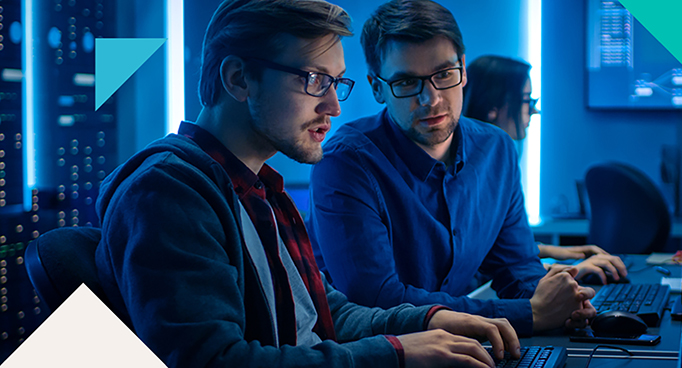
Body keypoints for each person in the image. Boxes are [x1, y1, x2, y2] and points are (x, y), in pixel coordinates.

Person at [95, 1, 522, 367]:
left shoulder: (253, 188)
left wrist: (426, 321)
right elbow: (216, 362)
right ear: (239, 79)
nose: (334, 106)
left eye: (336, 83)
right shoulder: (169, 192)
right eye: (315, 79)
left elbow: (321, 313)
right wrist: (395, 354)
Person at [307, 0, 597, 338]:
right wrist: (528, 313)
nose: (431, 99)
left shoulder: (496, 150)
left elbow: (516, 268)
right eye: (405, 82)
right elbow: (377, 299)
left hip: (456, 348)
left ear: (463, 71)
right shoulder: (346, 162)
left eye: (443, 74)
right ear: (377, 88)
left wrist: (561, 305)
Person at [463, 55, 628, 284]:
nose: (533, 112)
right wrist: (570, 270)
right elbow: (481, 264)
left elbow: (500, 245)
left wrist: (554, 252)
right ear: (493, 107)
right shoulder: (467, 171)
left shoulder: (496, 162)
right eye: (526, 101)